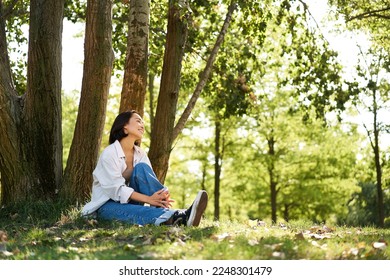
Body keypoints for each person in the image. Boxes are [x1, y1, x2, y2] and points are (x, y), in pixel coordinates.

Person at [81, 110, 208, 226]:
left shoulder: (140, 153)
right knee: (138, 211)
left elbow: (148, 179)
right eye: (138, 121)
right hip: (107, 206)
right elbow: (117, 190)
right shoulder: (109, 153)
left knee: (142, 167)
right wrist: (148, 199)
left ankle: (166, 210)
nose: (142, 124)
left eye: (142, 122)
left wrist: (159, 196)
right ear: (125, 127)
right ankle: (178, 217)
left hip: (132, 202)